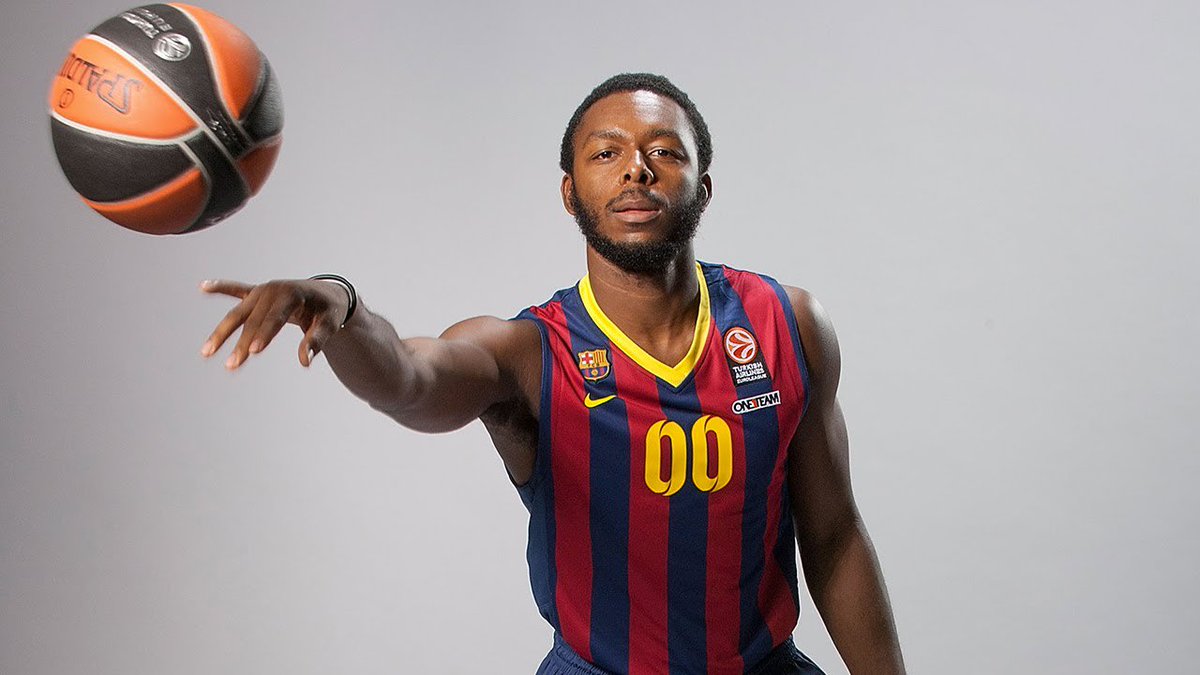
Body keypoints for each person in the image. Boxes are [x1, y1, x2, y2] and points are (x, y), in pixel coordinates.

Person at [199, 73, 905, 675]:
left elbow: (834, 535)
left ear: (704, 187)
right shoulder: (531, 352)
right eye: (607, 152)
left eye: (664, 151)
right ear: (570, 193)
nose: (637, 168)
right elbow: (411, 381)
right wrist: (342, 307)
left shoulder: (786, 323)